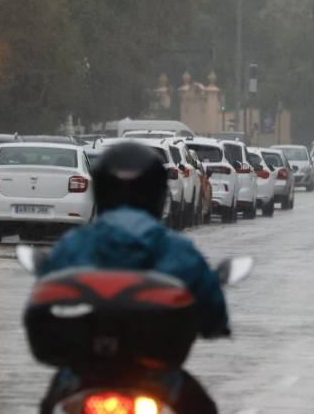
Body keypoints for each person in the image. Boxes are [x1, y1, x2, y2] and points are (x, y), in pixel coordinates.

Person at [37, 141, 228, 413]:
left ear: (101, 190)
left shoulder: (74, 244)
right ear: (157, 193)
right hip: (155, 373)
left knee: (51, 404)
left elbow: (43, 302)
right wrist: (215, 324)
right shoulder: (176, 249)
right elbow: (212, 307)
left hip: (84, 371)